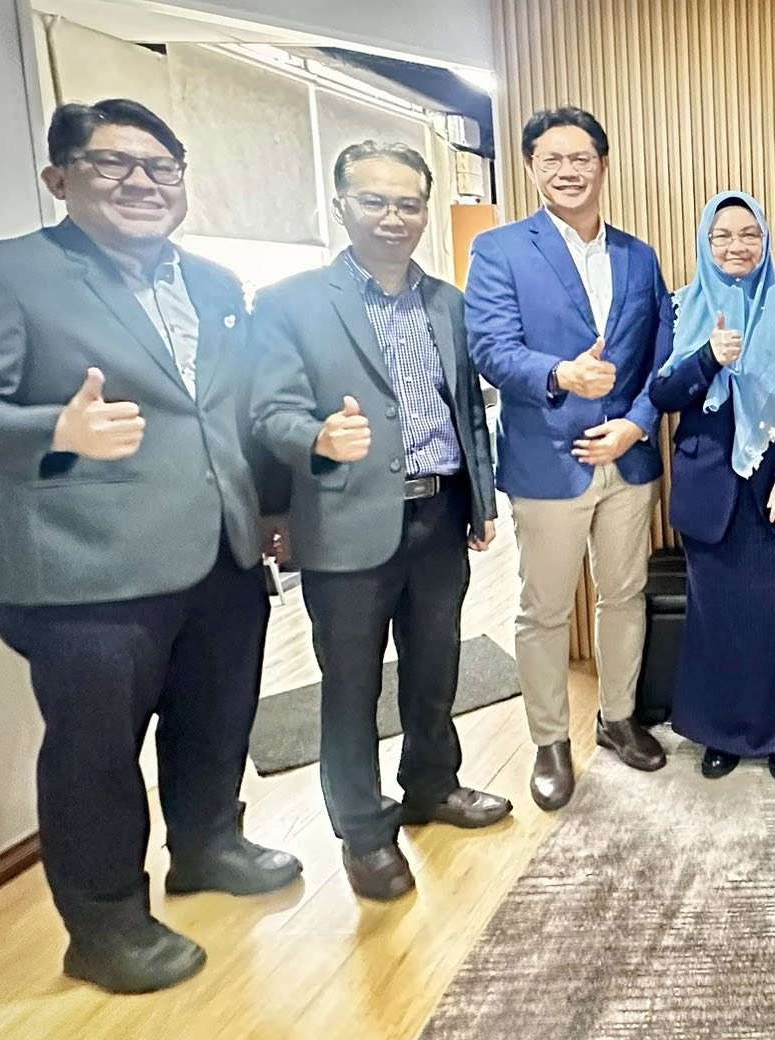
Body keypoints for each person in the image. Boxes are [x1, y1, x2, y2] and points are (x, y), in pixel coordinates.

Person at [0, 99, 301, 993]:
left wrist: (272, 508)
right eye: (113, 164)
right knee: (94, 755)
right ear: (60, 178)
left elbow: (229, 413)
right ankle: (106, 924)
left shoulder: (211, 284)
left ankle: (208, 846)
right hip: (85, 568)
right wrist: (55, 430)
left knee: (215, 719)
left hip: (222, 551)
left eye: (162, 168)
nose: (142, 183)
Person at [249, 141, 511, 902]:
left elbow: (467, 411)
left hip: (440, 512)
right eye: (375, 201)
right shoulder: (292, 303)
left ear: (426, 210)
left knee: (435, 668)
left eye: (408, 203)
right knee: (350, 685)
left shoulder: (448, 303)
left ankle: (432, 784)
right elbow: (267, 411)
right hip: (345, 521)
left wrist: (481, 501)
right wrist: (317, 439)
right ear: (341, 207)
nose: (394, 217)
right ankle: (363, 831)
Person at [466, 106, 673, 810]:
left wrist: (637, 425)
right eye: (551, 159)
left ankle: (618, 718)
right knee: (544, 610)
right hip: (547, 459)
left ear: (603, 165)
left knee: (624, 595)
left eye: (580, 158)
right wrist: (560, 374)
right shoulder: (500, 250)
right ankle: (550, 741)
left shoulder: (638, 256)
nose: (567, 171)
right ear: (531, 167)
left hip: (627, 461)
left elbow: (661, 355)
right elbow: (490, 348)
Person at [649, 192, 775, 782]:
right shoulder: (681, 307)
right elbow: (662, 394)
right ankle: (722, 733)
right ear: (706, 243)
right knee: (718, 620)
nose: (736, 246)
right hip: (712, 494)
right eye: (722, 236)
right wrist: (708, 357)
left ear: (766, 240)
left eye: (749, 234)